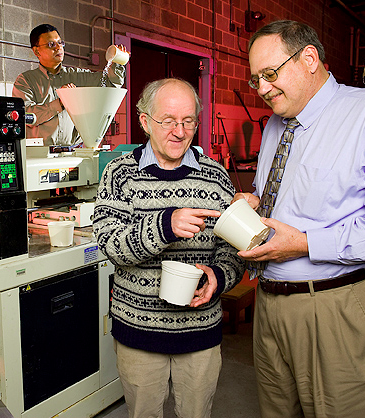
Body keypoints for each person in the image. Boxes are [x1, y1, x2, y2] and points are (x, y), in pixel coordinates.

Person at [237, 20, 365, 418]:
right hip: (273, 307)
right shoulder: (277, 125)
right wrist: (256, 201)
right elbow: (284, 196)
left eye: (270, 74)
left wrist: (307, 243)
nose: (261, 89)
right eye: (255, 79)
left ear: (309, 58)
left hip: (340, 305)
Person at [93, 78, 245, 418]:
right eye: (168, 121)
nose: (179, 131)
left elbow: (233, 249)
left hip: (200, 332)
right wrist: (165, 225)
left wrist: (218, 277)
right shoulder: (120, 174)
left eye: (188, 121)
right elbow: (109, 243)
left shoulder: (216, 177)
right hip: (140, 334)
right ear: (145, 122)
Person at [12, 23, 127, 146]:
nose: (58, 48)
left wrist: (117, 62)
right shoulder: (26, 81)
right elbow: (25, 116)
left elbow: (110, 85)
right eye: (51, 44)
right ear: (36, 51)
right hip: (39, 154)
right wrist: (61, 102)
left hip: (72, 154)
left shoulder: (77, 76)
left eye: (60, 43)